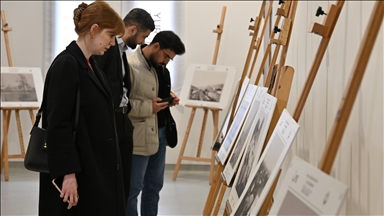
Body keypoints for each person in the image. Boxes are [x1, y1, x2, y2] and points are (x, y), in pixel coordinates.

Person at [39, 2, 127, 215]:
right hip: (78, 172)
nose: (113, 44)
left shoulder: (91, 64)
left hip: (94, 168)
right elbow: (58, 124)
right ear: (94, 29)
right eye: (111, 35)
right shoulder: (67, 64)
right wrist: (68, 174)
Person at [94, 8, 155, 203]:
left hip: (122, 121)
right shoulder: (106, 49)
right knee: (112, 183)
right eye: (144, 36)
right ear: (133, 29)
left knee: (124, 184)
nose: (143, 42)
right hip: (109, 122)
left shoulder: (120, 52)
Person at [126, 31, 185, 216]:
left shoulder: (161, 69)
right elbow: (121, 104)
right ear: (156, 46)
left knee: (154, 187)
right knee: (132, 190)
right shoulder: (129, 66)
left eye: (171, 59)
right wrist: (148, 107)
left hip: (159, 134)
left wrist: (169, 98)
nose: (167, 61)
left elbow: (155, 95)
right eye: (166, 56)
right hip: (138, 138)